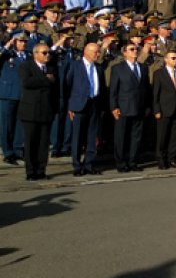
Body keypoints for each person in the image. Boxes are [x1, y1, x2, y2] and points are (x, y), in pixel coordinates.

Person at [64, 43, 105, 176]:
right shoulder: (75, 66)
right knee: (77, 136)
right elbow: (67, 86)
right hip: (79, 105)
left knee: (92, 136)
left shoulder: (98, 68)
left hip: (94, 104)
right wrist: (70, 106)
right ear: (86, 52)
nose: (97, 54)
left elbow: (102, 88)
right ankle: (77, 165)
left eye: (98, 52)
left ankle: (89, 164)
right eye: (95, 52)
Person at [17, 43, 56, 180]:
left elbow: (55, 88)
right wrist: (45, 79)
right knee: (31, 143)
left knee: (43, 144)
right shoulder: (26, 66)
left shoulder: (51, 68)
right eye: (44, 53)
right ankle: (31, 171)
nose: (47, 55)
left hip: (46, 111)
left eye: (48, 53)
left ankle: (41, 170)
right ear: (36, 54)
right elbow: (27, 83)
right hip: (30, 111)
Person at [109, 42, 150, 172]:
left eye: (136, 49)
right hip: (123, 107)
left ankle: (133, 162)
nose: (135, 51)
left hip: (139, 107)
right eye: (131, 49)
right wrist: (114, 107)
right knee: (121, 137)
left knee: (136, 137)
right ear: (125, 52)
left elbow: (145, 88)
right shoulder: (117, 68)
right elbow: (113, 90)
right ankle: (120, 163)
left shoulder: (143, 67)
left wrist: (147, 106)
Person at [153, 50, 176, 169]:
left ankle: (172, 158)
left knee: (175, 136)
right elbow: (155, 93)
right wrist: (156, 110)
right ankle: (161, 159)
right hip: (164, 109)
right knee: (162, 136)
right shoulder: (159, 73)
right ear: (166, 59)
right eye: (173, 58)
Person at [0, 34, 27, 165]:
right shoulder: (7, 54)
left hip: (22, 94)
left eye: (24, 41)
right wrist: (7, 45)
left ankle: (18, 150)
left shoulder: (27, 55)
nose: (23, 44)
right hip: (8, 94)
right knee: (7, 125)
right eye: (20, 41)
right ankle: (8, 152)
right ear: (14, 42)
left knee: (19, 124)